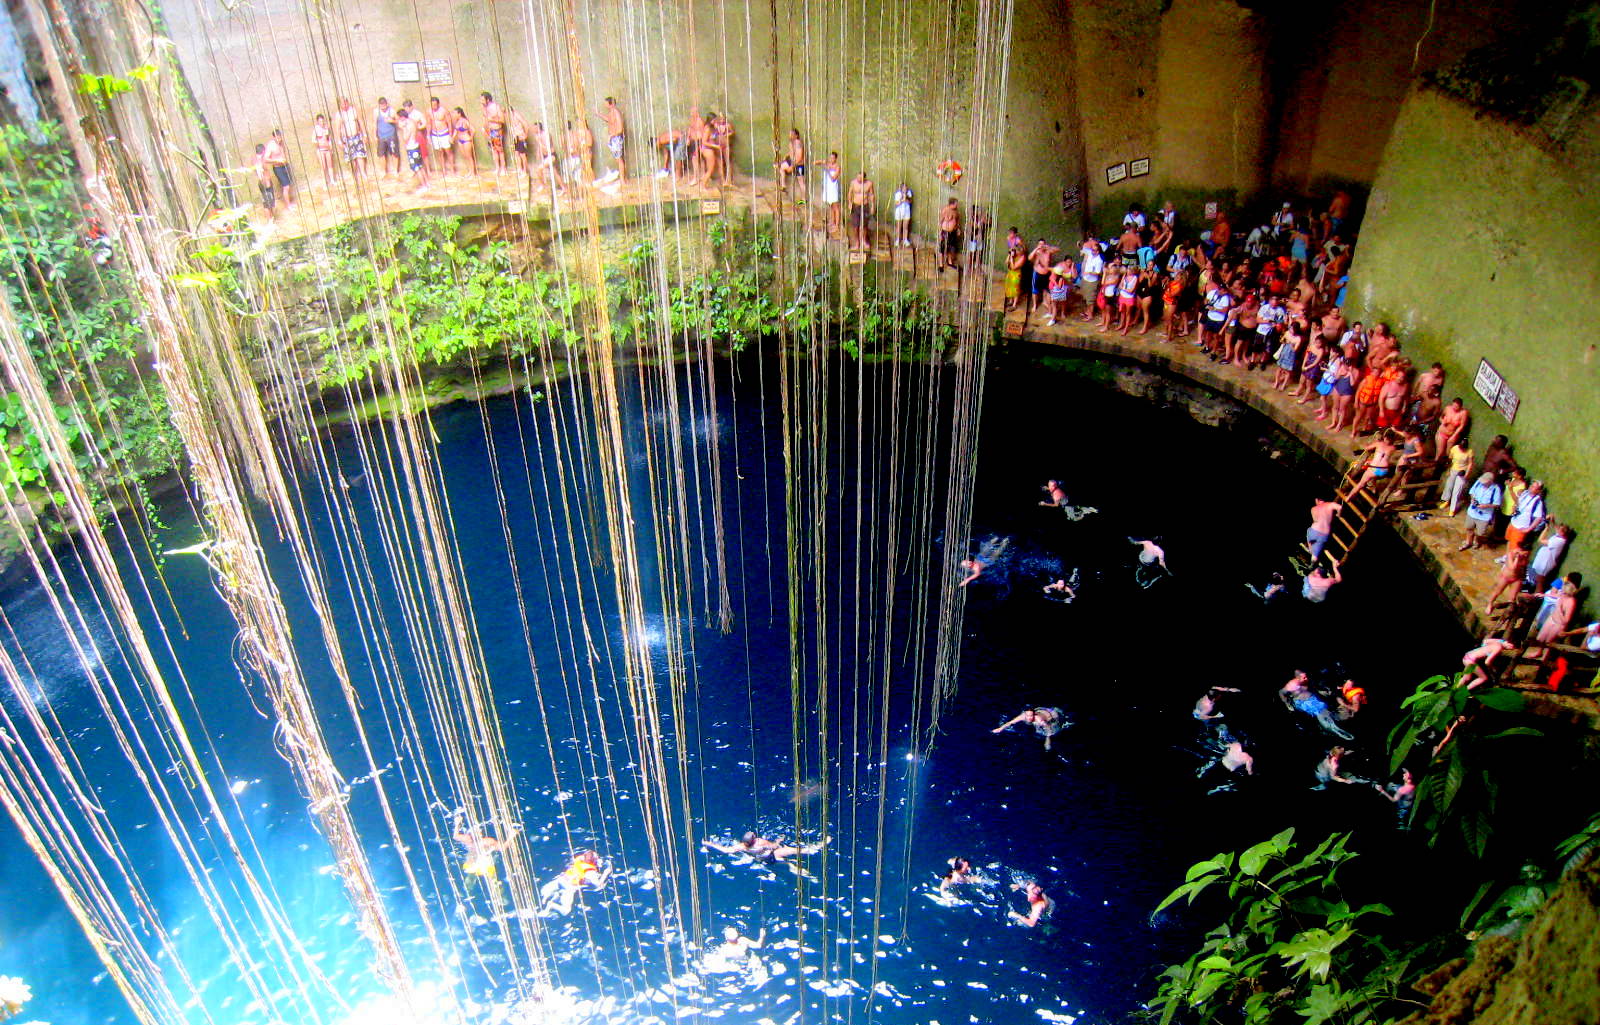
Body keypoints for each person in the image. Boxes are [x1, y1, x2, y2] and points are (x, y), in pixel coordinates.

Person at [1279, 670, 1353, 739]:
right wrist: (1287, 703)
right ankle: (1335, 731)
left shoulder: (1308, 680)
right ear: (1297, 678)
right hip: (1303, 703)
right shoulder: (1291, 686)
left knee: (1325, 711)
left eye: (1306, 676)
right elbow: (1281, 692)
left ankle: (1334, 727)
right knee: (1319, 713)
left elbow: (1315, 686)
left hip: (1313, 698)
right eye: (1304, 677)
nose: (1306, 678)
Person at [539, 849, 611, 915]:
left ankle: (547, 901)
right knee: (566, 911)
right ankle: (551, 905)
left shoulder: (580, 859)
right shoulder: (590, 872)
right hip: (568, 887)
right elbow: (597, 885)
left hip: (561, 879)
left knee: (544, 895)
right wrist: (606, 873)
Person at [452, 809, 520, 878]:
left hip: (484, 864)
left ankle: (490, 879)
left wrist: (511, 837)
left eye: (479, 832)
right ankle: (474, 876)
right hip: (472, 864)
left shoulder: (487, 841)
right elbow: (455, 836)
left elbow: (502, 848)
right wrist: (457, 824)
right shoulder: (468, 839)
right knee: (473, 865)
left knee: (485, 867)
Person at [703, 832, 827, 862]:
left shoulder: (742, 847)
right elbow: (774, 846)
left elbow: (725, 850)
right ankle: (818, 846)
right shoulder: (760, 842)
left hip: (763, 860)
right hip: (772, 854)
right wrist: (779, 840)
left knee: (787, 864)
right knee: (795, 850)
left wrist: (709, 844)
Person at [699, 925, 766, 978]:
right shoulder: (743, 941)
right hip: (748, 963)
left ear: (726, 938)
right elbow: (758, 945)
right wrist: (762, 936)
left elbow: (719, 964)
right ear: (737, 934)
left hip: (736, 968)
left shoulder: (724, 949)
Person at [1459, 471, 1501, 552]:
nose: (1482, 483)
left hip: (1484, 515)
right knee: (1469, 527)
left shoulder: (1496, 489)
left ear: (1490, 481)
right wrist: (1472, 499)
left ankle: (1477, 541)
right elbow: (1472, 492)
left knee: (1481, 532)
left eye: (1485, 482)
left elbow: (1497, 504)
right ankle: (1468, 541)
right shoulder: (1478, 483)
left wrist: (1486, 506)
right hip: (1472, 511)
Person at [991, 706, 1068, 750]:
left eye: (1031, 716)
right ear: (1025, 714)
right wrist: (1000, 729)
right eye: (1028, 716)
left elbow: (1048, 730)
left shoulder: (1038, 720)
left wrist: (1047, 741)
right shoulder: (1022, 716)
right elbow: (1010, 722)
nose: (1029, 718)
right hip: (1040, 710)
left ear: (1033, 715)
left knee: (1049, 729)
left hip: (1051, 714)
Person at [1526, 523, 1571, 593]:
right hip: (1543, 562)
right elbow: (1558, 529)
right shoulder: (1560, 537)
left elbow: (1540, 540)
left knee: (1540, 584)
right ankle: (1532, 594)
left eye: (1560, 529)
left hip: (1545, 564)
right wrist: (1552, 522)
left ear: (1562, 532)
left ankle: (1537, 598)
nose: (1558, 529)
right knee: (1537, 581)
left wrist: (1546, 529)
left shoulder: (1558, 541)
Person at [336, 97, 368, 181]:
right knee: (351, 158)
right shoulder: (339, 114)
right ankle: (355, 175)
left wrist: (364, 134)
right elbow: (338, 128)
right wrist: (339, 140)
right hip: (347, 139)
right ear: (340, 104)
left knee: (360, 155)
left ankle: (363, 173)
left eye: (346, 103)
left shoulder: (354, 110)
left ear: (348, 102)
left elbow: (360, 122)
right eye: (343, 104)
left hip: (356, 136)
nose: (344, 105)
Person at [263, 128, 294, 206]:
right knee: (286, 186)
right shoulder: (271, 145)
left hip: (285, 165)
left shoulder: (281, 143)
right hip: (278, 168)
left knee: (289, 185)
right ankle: (288, 205)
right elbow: (266, 159)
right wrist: (277, 161)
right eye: (277, 138)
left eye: (280, 137)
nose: (279, 139)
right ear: (274, 137)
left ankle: (290, 201)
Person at [848, 170, 876, 252]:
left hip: (865, 205)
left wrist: (873, 206)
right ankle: (857, 242)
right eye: (858, 177)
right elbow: (850, 193)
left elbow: (872, 195)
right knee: (856, 226)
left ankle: (863, 241)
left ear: (864, 178)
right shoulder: (853, 183)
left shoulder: (869, 184)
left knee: (864, 225)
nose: (859, 179)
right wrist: (849, 203)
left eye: (860, 178)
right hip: (856, 205)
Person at [1306, 497, 1341, 562]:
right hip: (1324, 534)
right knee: (1317, 552)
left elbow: (1315, 520)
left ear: (1317, 500)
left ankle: (1311, 549)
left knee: (1308, 531)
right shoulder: (1330, 504)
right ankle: (1314, 557)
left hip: (1314, 530)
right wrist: (1339, 514)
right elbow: (1340, 507)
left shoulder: (1313, 509)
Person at [426, 96, 454, 176]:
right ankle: (443, 170)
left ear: (438, 104)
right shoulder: (429, 112)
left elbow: (449, 123)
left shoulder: (444, 111)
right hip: (435, 134)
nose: (433, 107)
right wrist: (428, 135)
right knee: (440, 153)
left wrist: (450, 135)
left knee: (448, 152)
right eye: (432, 105)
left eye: (435, 105)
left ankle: (452, 169)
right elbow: (428, 124)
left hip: (444, 133)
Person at [373, 97, 400, 177]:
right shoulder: (376, 112)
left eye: (384, 105)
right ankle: (383, 172)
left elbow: (398, 120)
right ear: (379, 105)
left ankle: (395, 170)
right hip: (381, 135)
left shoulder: (392, 111)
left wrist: (392, 121)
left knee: (394, 153)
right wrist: (374, 135)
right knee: (381, 154)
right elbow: (374, 124)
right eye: (381, 106)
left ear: (386, 104)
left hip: (391, 135)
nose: (383, 107)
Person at [481, 92, 507, 173]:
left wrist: (491, 119)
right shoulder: (485, 107)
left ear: (488, 100)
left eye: (482, 100)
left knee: (500, 150)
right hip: (490, 131)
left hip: (496, 131)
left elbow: (502, 120)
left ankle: (503, 168)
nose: (481, 101)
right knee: (494, 150)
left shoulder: (495, 107)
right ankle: (497, 168)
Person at [776, 128, 805, 199]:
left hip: (799, 164)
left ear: (796, 135)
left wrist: (792, 166)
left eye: (792, 134)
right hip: (791, 161)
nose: (790, 136)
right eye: (789, 134)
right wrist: (786, 156)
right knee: (780, 166)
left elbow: (800, 156)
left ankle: (803, 200)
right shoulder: (791, 143)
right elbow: (792, 152)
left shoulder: (798, 143)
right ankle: (783, 186)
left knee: (801, 182)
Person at [251, 143, 277, 219]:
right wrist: (266, 182)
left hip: (263, 183)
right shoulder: (260, 160)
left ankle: (272, 219)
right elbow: (260, 171)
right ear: (263, 151)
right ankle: (270, 222)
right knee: (267, 204)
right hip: (265, 183)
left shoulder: (254, 158)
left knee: (269, 203)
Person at [311, 113, 336, 188]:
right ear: (317, 122)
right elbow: (313, 140)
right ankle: (325, 183)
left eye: (322, 121)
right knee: (323, 167)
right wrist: (319, 144)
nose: (322, 122)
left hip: (327, 149)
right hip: (320, 150)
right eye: (320, 121)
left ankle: (332, 180)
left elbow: (329, 138)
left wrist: (330, 146)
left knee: (330, 165)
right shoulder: (316, 129)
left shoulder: (326, 128)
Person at [820, 152, 842, 236]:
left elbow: (833, 178)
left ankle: (837, 225)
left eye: (833, 158)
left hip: (833, 188)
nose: (831, 159)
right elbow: (816, 162)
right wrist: (821, 162)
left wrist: (827, 170)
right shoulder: (828, 164)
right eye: (830, 158)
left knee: (836, 206)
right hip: (827, 188)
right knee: (830, 206)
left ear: (836, 159)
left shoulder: (837, 167)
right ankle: (832, 221)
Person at [937, 197, 961, 271]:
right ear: (952, 204)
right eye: (956, 204)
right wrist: (940, 233)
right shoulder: (945, 210)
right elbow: (940, 221)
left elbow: (957, 221)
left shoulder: (956, 211)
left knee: (951, 247)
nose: (957, 205)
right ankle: (941, 265)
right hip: (945, 231)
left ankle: (950, 262)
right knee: (942, 248)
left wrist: (958, 229)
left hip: (952, 232)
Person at [455, 106, 479, 176]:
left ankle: (473, 173)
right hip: (460, 140)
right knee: (465, 156)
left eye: (455, 113)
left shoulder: (465, 121)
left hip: (466, 140)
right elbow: (456, 131)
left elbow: (473, 130)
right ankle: (470, 171)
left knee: (469, 156)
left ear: (459, 113)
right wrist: (452, 138)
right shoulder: (457, 122)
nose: (454, 115)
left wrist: (470, 137)